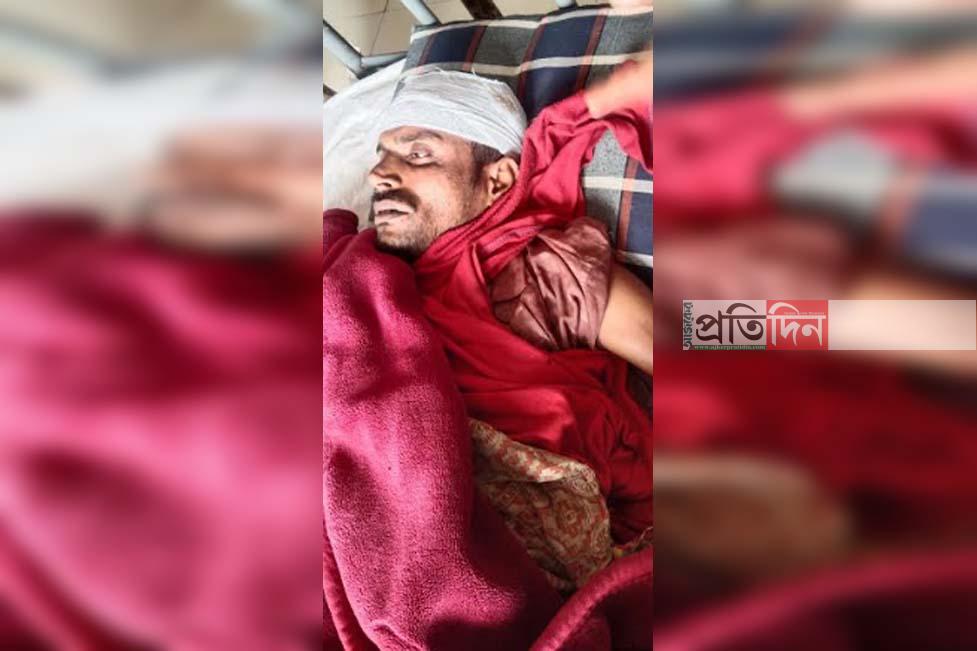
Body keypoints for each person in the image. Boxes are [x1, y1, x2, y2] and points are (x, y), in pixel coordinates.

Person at [354, 59, 654, 544]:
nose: (378, 175)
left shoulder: (543, 270)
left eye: (419, 154)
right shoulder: (357, 277)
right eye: (382, 155)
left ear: (497, 181)